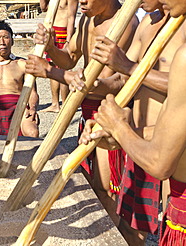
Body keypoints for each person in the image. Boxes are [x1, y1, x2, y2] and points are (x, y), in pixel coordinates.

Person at [79, 0, 186, 244]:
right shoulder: (148, 23)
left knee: (168, 227)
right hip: (145, 139)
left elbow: (177, 86)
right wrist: (92, 87)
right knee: (131, 229)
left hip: (172, 156)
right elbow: (123, 79)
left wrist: (130, 67)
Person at [25, 0, 138, 226]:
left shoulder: (125, 22)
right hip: (87, 107)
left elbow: (120, 81)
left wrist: (52, 73)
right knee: (90, 184)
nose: (81, 2)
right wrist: (50, 47)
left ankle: (114, 236)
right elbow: (69, 57)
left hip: (111, 111)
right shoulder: (88, 17)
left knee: (108, 189)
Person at [39, 0, 78, 113]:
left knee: (63, 68)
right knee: (51, 67)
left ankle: (65, 103)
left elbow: (71, 18)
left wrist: (68, 40)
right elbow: (44, 8)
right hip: (52, 31)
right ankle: (55, 103)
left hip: (63, 33)